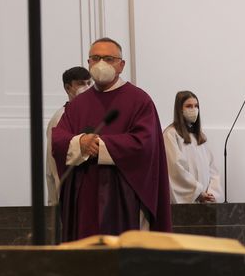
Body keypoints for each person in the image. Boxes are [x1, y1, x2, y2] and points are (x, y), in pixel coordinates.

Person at [51, 38, 172, 241]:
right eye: (95, 58)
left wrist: (101, 145)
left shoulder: (139, 100)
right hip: (86, 195)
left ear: (121, 65)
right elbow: (59, 138)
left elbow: (145, 143)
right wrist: (79, 143)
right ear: (88, 63)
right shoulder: (78, 104)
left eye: (109, 58)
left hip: (123, 194)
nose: (101, 64)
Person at [163, 90, 222, 204]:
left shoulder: (200, 137)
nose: (194, 109)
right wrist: (198, 193)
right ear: (180, 109)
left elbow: (213, 170)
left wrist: (211, 194)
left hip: (205, 202)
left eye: (196, 106)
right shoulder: (171, 134)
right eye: (189, 106)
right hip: (186, 202)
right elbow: (175, 169)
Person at [44, 66, 92, 205]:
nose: (87, 87)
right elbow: (52, 161)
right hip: (68, 189)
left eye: (89, 83)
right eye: (81, 83)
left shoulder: (90, 113)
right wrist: (55, 199)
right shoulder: (59, 118)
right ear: (68, 88)